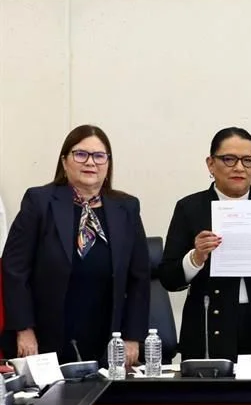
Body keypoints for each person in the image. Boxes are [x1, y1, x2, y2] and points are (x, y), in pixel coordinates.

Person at [158, 127, 251, 361]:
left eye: (248, 160)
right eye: (229, 159)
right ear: (211, 164)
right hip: (209, 326)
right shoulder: (190, 208)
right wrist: (196, 258)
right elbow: (169, 278)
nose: (239, 167)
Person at [1, 125, 150, 366]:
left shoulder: (127, 208)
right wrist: (24, 328)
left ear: (108, 163)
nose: (90, 162)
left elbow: (139, 278)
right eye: (81, 154)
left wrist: (133, 337)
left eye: (99, 156)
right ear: (64, 161)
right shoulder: (39, 202)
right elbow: (14, 269)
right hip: (45, 337)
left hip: (106, 335)